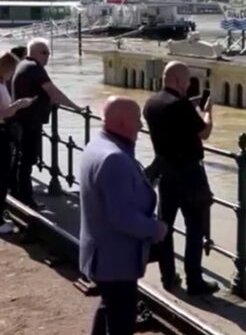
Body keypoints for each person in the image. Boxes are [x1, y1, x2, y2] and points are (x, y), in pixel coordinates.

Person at [79, 96, 168, 335]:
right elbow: (120, 216)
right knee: (121, 320)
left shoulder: (97, 145)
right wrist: (154, 229)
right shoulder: (114, 158)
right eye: (137, 120)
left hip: (101, 252)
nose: (141, 126)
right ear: (121, 123)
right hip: (115, 258)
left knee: (109, 306)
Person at [143, 61, 218, 295]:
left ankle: (168, 276)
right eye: (187, 80)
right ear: (177, 80)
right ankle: (194, 281)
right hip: (189, 174)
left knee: (165, 225)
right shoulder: (181, 106)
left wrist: (190, 105)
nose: (188, 84)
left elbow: (174, 118)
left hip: (165, 171)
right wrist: (208, 112)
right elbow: (204, 132)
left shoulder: (152, 103)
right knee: (195, 227)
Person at [9, 38, 80, 207]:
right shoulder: (34, 68)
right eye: (45, 52)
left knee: (21, 158)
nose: (48, 56)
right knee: (27, 159)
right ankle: (26, 198)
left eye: (48, 52)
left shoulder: (23, 65)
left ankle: (16, 192)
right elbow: (52, 91)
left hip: (21, 120)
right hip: (29, 121)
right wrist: (76, 108)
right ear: (33, 52)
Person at [0, 52, 36, 234]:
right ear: (5, 68)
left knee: (2, 179)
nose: (13, 73)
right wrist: (19, 104)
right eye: (12, 69)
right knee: (1, 180)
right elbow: (1, 113)